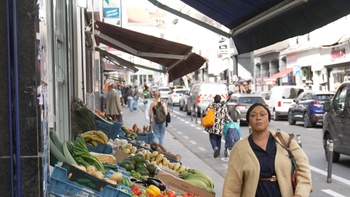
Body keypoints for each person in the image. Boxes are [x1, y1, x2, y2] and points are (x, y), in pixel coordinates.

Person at [222, 103, 312, 197]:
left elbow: (303, 167)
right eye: (253, 115)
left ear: (269, 119)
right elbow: (231, 186)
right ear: (248, 121)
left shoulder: (284, 140)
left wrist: (300, 194)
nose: (258, 118)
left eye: (262, 114)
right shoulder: (240, 149)